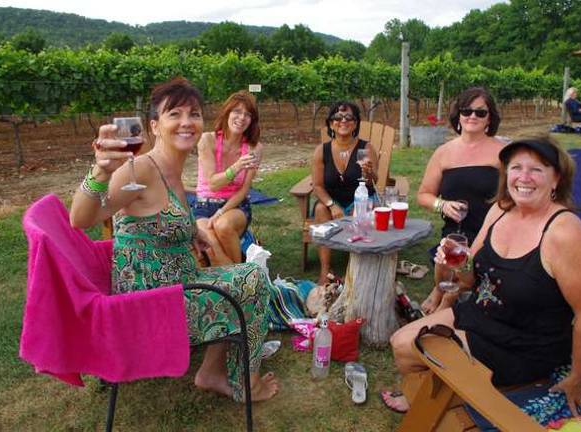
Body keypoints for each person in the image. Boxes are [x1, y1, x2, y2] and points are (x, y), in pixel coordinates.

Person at [70, 77, 278, 402]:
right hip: (152, 305)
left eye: (193, 113)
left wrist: (191, 233)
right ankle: (245, 382)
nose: (186, 122)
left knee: (246, 277)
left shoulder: (171, 171)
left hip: (176, 284)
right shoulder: (140, 169)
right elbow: (81, 218)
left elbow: (157, 217)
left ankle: (214, 372)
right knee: (252, 281)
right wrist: (99, 172)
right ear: (154, 126)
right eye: (174, 114)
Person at [383, 136, 581, 417]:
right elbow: (468, 278)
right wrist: (448, 263)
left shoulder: (564, 232)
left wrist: (579, 378)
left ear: (556, 179)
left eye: (536, 169)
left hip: (523, 344)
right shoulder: (500, 210)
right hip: (482, 315)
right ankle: (442, 392)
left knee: (410, 348)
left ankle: (437, 398)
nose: (524, 177)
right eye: (515, 167)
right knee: (400, 343)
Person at [417, 87, 504, 314]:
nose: (472, 116)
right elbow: (423, 194)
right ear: (459, 116)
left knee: (463, 258)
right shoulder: (443, 153)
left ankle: (445, 297)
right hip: (455, 231)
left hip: (490, 232)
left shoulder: (502, 153)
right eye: (466, 111)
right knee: (451, 247)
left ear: (489, 118)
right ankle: (441, 290)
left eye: (480, 112)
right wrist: (442, 204)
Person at [311, 101, 378, 284]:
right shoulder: (321, 151)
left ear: (355, 123)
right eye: (338, 117)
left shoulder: (365, 148)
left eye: (349, 117)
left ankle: (355, 269)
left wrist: (369, 171)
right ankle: (325, 270)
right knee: (319, 210)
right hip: (332, 201)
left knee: (359, 210)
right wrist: (332, 205)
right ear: (331, 123)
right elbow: (317, 185)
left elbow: (373, 182)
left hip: (362, 199)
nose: (343, 121)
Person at [194, 90, 262, 266]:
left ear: (252, 121)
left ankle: (238, 279)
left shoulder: (254, 148)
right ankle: (240, 276)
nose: (241, 118)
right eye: (237, 112)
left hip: (235, 206)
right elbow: (213, 183)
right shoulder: (207, 140)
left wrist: (220, 212)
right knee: (209, 243)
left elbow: (244, 189)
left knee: (222, 225)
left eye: (247, 114)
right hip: (204, 205)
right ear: (227, 113)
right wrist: (237, 166)